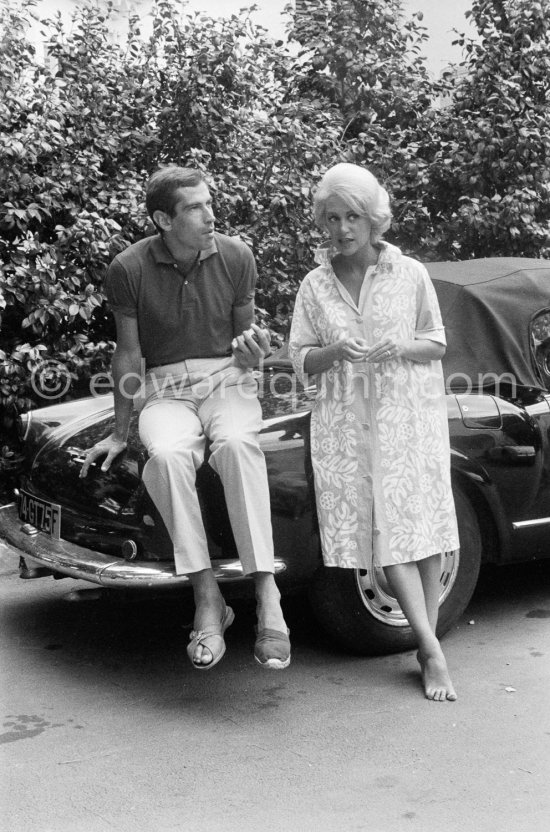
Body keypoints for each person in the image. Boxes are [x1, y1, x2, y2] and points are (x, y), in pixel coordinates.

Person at [80, 165, 290, 672]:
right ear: (163, 219)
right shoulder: (128, 268)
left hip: (226, 380)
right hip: (165, 388)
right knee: (169, 455)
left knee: (239, 446)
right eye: (195, 207)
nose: (210, 215)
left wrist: (254, 349)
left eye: (209, 202)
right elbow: (129, 355)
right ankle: (207, 598)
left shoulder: (237, 256)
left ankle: (268, 596)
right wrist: (119, 430)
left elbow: (247, 351)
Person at [288, 162, 459, 700]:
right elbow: (299, 359)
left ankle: (427, 642)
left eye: (352, 217)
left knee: (424, 535)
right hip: (346, 427)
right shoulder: (314, 286)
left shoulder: (410, 274)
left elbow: (436, 341)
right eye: (332, 217)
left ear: (373, 219)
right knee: (385, 541)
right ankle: (431, 652)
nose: (341, 229)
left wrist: (400, 347)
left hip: (408, 419)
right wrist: (334, 351)